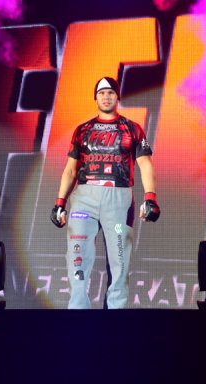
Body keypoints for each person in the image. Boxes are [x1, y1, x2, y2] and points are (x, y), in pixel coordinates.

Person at [50, 77, 160, 309]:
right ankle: (78, 312)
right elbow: (70, 169)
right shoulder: (82, 130)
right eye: (101, 93)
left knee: (120, 259)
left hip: (118, 199)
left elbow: (145, 164)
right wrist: (60, 203)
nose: (106, 97)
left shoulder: (133, 128)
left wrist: (150, 197)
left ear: (117, 96)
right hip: (84, 199)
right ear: (96, 97)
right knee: (77, 256)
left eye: (110, 92)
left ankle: (115, 315)